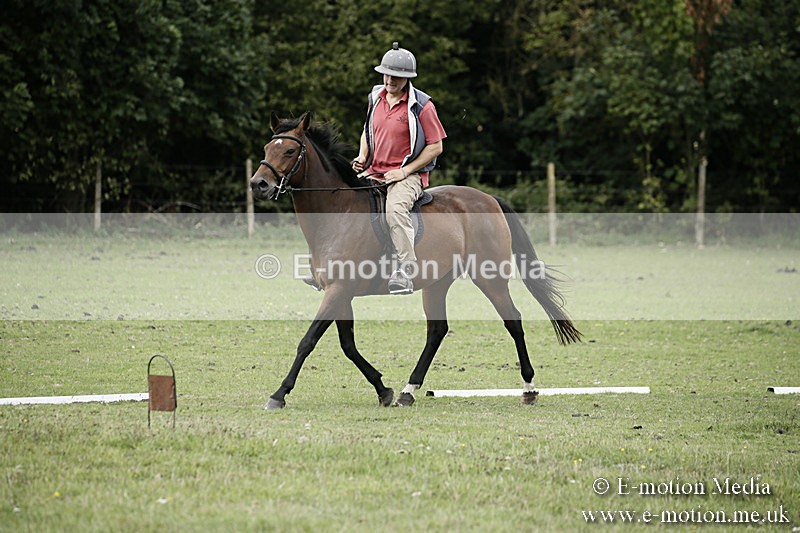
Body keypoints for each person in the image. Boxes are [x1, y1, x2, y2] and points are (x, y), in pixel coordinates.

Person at [352, 42, 447, 294]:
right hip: (374, 171)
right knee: (343, 199)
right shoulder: (375, 97)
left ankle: (405, 270)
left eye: (397, 76)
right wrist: (363, 155)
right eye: (387, 73)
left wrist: (404, 172)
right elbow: (367, 131)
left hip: (408, 175)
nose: (390, 79)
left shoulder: (422, 106)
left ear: (407, 78)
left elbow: (435, 147)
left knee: (394, 210)